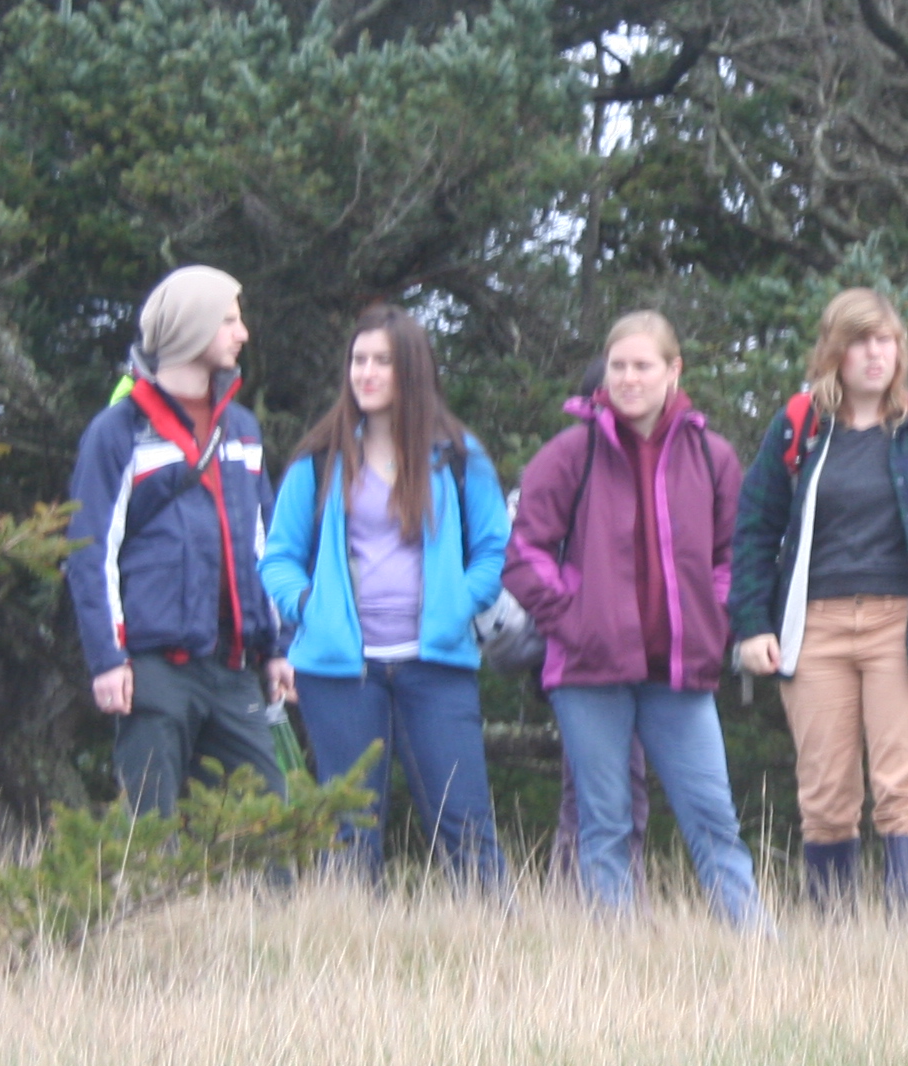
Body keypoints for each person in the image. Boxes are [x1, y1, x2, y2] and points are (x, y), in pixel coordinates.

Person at [730, 287, 908, 911]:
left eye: (885, 340)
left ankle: (907, 945)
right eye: (859, 341)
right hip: (815, 627)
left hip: (904, 626)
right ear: (834, 351)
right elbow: (754, 528)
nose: (875, 353)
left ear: (900, 351)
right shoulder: (800, 425)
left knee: (903, 788)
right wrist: (750, 624)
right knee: (825, 796)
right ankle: (835, 942)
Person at [503, 311, 764, 926]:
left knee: (713, 819)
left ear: (674, 371)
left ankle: (758, 949)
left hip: (679, 673)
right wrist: (572, 620)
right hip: (587, 673)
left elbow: (736, 556)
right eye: (618, 366)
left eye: (642, 366)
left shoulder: (713, 457)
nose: (628, 378)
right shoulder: (570, 454)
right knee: (605, 823)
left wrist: (714, 619)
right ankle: (616, 957)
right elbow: (523, 552)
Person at [262, 303, 511, 888]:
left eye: (382, 361)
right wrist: (310, 608)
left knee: (465, 821)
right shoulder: (319, 457)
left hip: (437, 664)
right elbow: (278, 558)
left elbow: (495, 550)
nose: (366, 372)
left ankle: (498, 935)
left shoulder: (458, 455)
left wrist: (459, 604)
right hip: (339, 670)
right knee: (348, 830)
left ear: (412, 370)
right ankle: (348, 942)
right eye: (359, 360)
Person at [65, 264, 293, 814]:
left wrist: (277, 649)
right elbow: (89, 554)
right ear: (191, 329)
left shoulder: (242, 429)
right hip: (152, 668)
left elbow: (265, 545)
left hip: (233, 666)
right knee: (150, 831)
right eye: (229, 321)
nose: (243, 334)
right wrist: (107, 660)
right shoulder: (116, 432)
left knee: (267, 824)